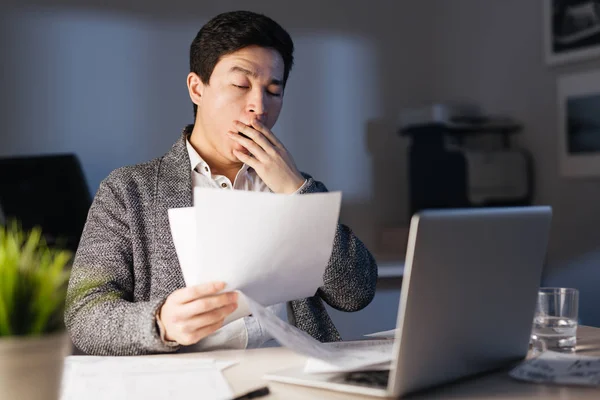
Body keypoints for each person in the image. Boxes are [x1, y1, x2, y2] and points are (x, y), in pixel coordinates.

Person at [65, 10, 377, 356]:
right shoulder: (127, 191)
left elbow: (356, 293)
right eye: (241, 85)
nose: (258, 106)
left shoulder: (293, 186)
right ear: (197, 88)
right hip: (187, 382)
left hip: (295, 374)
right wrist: (160, 322)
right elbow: (84, 315)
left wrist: (297, 193)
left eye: (274, 91)